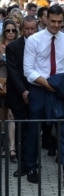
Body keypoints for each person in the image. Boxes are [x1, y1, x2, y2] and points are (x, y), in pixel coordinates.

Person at [23, 5, 64, 189]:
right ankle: (31, 168)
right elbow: (28, 71)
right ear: (45, 19)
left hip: (61, 90)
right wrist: (49, 85)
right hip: (40, 90)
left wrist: (62, 81)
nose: (57, 25)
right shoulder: (33, 40)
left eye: (60, 22)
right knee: (34, 131)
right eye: (53, 21)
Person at [5, 16, 38, 177]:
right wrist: (23, 91)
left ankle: (33, 165)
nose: (30, 32)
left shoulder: (41, 44)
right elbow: (13, 72)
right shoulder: (13, 47)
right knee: (22, 131)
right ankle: (23, 164)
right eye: (27, 29)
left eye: (33, 29)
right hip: (18, 94)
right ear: (22, 29)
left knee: (34, 129)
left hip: (38, 92)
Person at [0, 19, 19, 163]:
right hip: (1, 85)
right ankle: (4, 145)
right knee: (2, 116)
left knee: (12, 115)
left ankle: (12, 148)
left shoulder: (19, 46)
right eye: (8, 30)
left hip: (14, 85)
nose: (11, 33)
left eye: (13, 30)